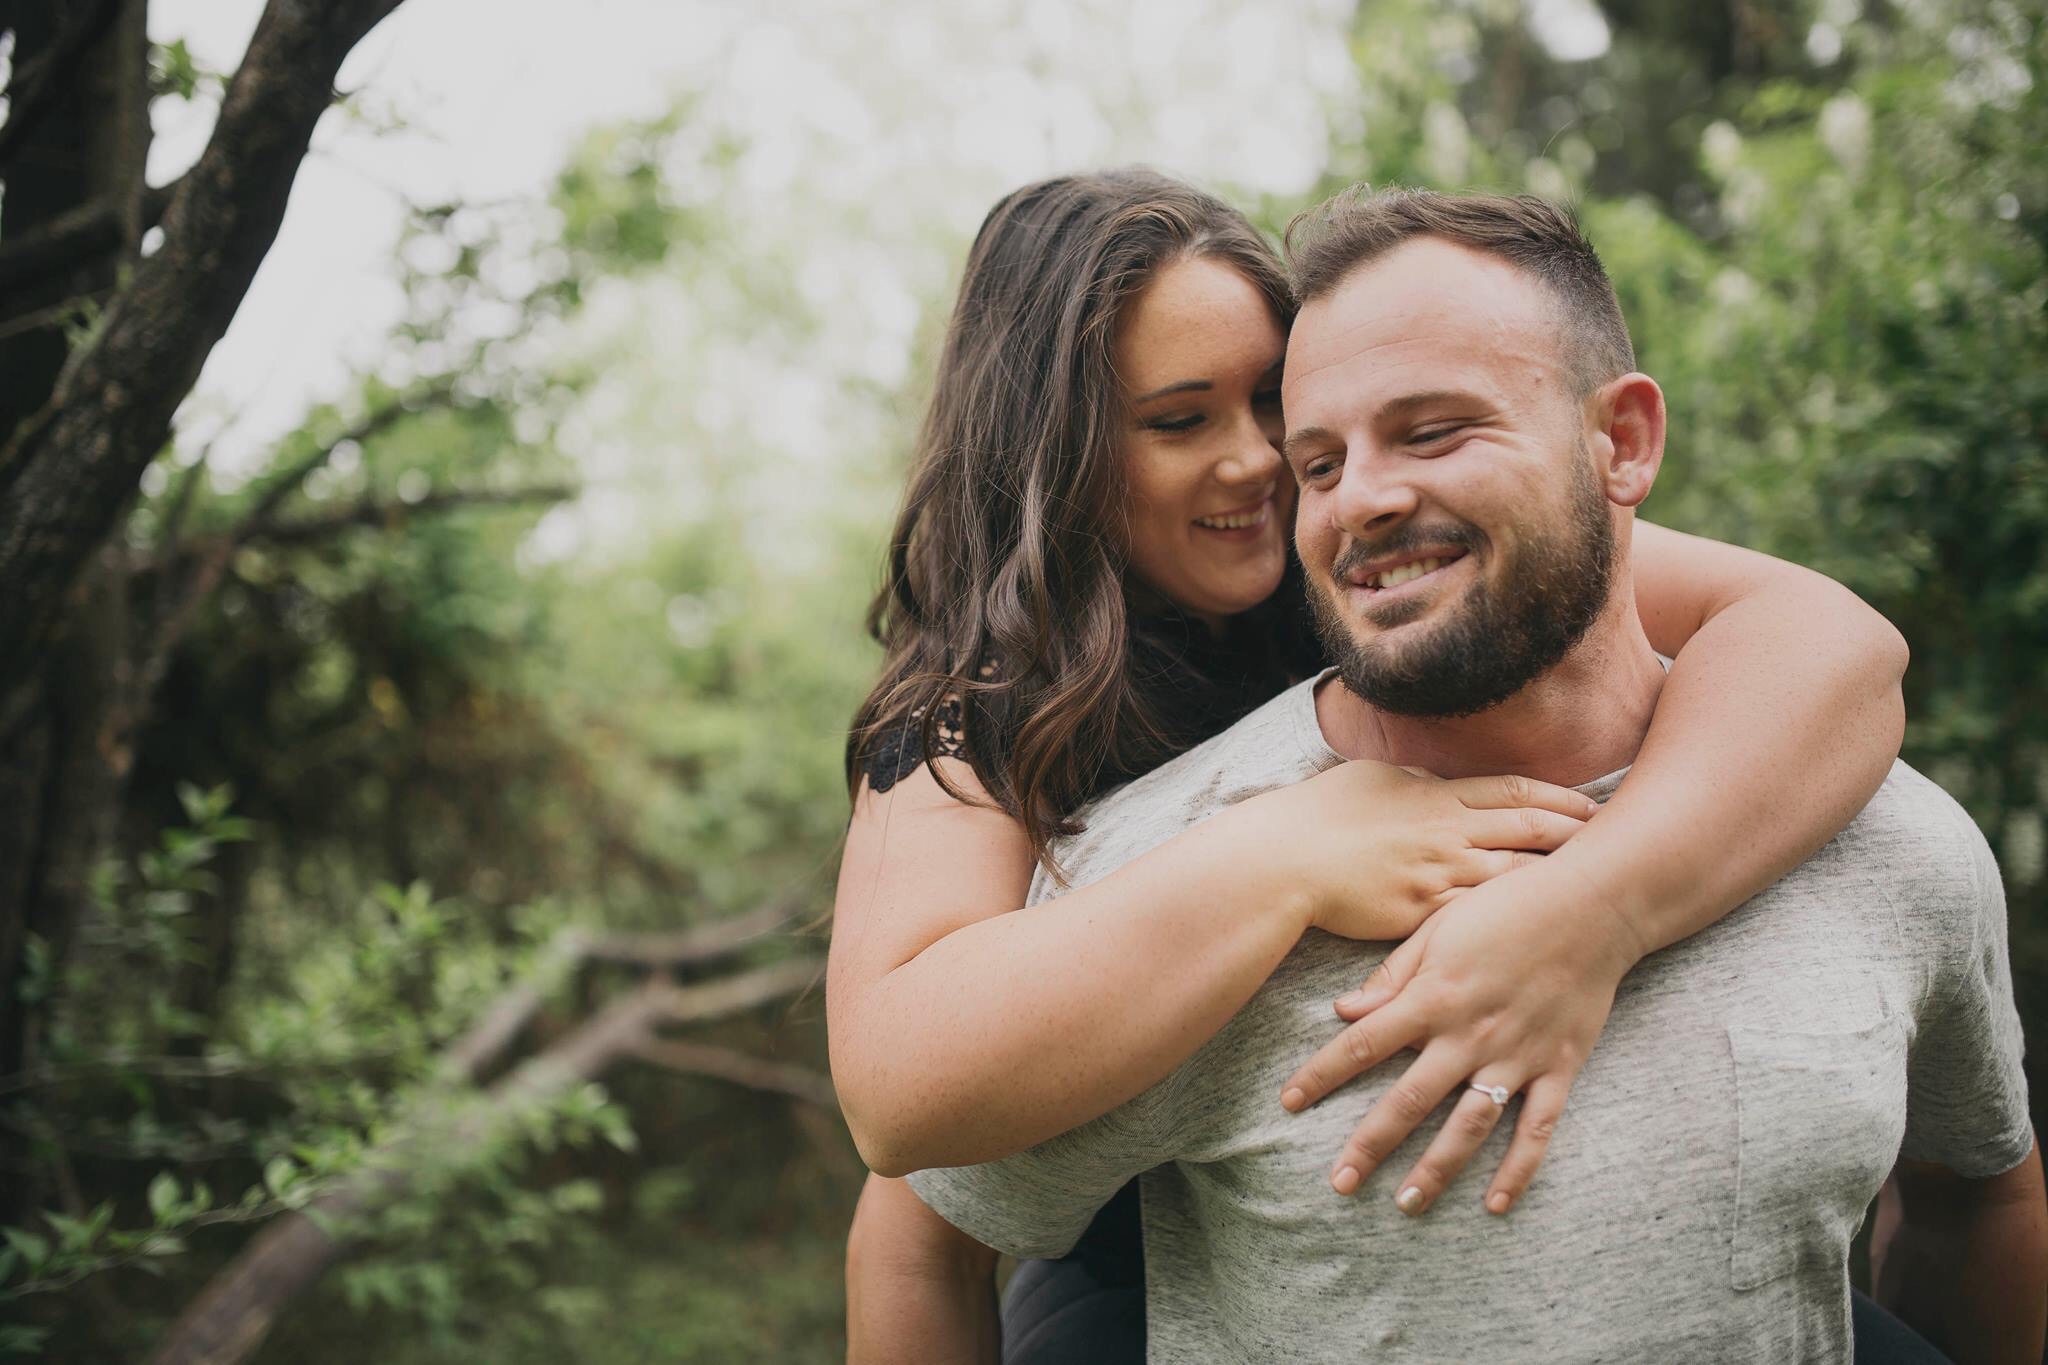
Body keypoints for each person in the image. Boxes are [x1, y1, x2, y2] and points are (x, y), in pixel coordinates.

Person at [901, 186, 2046, 1363]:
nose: (1286, 476)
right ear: (1064, 462)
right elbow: (909, 1157)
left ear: (1621, 442)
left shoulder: (1857, 821)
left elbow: (1834, 637)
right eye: (1187, 421)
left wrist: (1587, 910)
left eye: (1430, 430)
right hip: (1118, 1252)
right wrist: (1280, 851)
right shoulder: (993, 724)